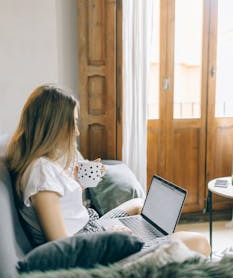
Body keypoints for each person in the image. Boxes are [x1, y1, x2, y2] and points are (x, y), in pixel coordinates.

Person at [6, 85, 210, 257]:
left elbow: (64, 204)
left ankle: (152, 238)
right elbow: (62, 246)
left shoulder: (41, 163)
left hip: (92, 225)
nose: (76, 132)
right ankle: (152, 246)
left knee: (139, 204)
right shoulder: (41, 171)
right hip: (91, 245)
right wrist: (110, 238)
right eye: (73, 123)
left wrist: (79, 181)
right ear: (53, 126)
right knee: (199, 243)